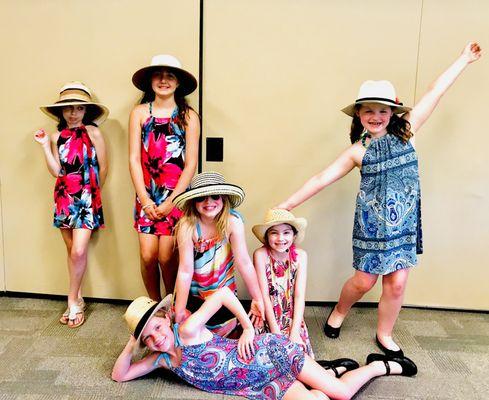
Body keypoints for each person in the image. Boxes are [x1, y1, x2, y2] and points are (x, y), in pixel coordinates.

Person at [277, 42, 482, 355]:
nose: (376, 116)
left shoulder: (408, 131)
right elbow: (321, 179)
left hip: (404, 223)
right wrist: (286, 205)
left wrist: (464, 59)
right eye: (368, 110)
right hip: (372, 226)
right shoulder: (357, 151)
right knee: (364, 282)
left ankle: (384, 334)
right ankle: (340, 311)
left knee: (397, 284)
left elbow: (435, 91)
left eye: (382, 110)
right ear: (358, 114)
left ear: (393, 112)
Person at [112, 287, 418, 400]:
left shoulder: (188, 329)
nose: (156, 337)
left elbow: (222, 294)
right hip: (258, 385)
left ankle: (379, 365)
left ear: (166, 318)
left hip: (272, 354)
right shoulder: (162, 359)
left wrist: (247, 327)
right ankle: (331, 371)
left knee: (340, 395)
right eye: (148, 338)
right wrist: (133, 338)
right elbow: (120, 375)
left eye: (156, 327)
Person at [34, 81, 109, 328]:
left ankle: (71, 301)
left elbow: (104, 168)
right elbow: (57, 171)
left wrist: (93, 195)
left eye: (79, 108)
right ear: (61, 112)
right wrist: (46, 146)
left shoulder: (94, 133)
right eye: (68, 108)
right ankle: (79, 298)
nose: (73, 113)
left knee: (78, 251)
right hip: (64, 197)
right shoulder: (57, 137)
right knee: (72, 251)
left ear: (86, 111)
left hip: (86, 198)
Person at [129, 55, 200, 301]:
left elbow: (191, 164)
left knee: (167, 256)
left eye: (170, 75)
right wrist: (145, 200)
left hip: (176, 197)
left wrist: (172, 201)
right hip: (146, 195)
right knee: (148, 255)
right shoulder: (139, 113)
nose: (163, 80)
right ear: (150, 81)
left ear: (178, 83)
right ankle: (154, 305)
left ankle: (171, 304)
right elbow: (134, 160)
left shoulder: (189, 116)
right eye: (158, 74)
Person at [171, 171, 265, 336]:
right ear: (193, 202)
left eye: (215, 196)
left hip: (225, 293)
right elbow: (185, 271)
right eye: (201, 197)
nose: (209, 202)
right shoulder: (187, 226)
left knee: (225, 335)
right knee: (191, 335)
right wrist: (179, 310)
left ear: (224, 199)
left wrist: (257, 298)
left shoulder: (233, 223)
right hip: (196, 294)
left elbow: (244, 263)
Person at [252, 208, 314, 358]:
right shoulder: (260, 255)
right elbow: (264, 295)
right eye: (274, 232)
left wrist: (294, 332)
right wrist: (276, 333)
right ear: (267, 236)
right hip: (268, 313)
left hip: (291, 313)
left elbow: (299, 296)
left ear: (294, 235)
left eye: (286, 232)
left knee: (297, 356)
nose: (281, 238)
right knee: (265, 359)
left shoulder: (301, 256)